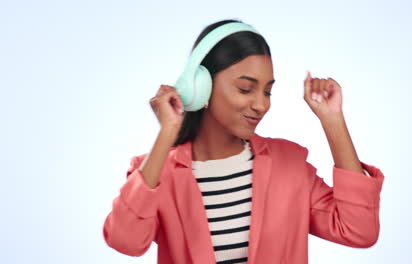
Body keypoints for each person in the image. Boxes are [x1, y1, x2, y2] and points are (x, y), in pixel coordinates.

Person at [102, 19, 385, 264]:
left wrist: (332, 120)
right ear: (201, 87)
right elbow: (125, 241)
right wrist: (167, 132)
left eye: (268, 92)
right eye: (246, 88)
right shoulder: (156, 174)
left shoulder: (289, 166)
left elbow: (358, 230)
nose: (261, 105)